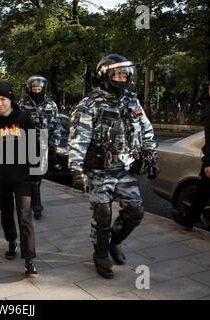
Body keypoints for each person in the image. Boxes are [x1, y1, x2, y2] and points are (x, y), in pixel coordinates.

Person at [68, 54, 159, 279]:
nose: (122, 77)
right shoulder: (89, 104)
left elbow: (146, 130)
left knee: (136, 211)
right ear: (104, 76)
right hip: (99, 171)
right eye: (117, 74)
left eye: (125, 74)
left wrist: (152, 156)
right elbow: (79, 138)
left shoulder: (132, 100)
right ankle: (100, 254)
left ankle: (114, 242)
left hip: (124, 167)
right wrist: (76, 169)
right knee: (102, 214)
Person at [0, 80, 39, 278]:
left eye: (3, 99)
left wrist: (36, 175)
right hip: (0, 179)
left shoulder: (23, 118)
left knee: (25, 217)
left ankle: (29, 260)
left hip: (22, 178)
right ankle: (11, 241)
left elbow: (34, 146)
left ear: (11, 99)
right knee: (6, 215)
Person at [172, 75, 210, 230]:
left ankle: (188, 220)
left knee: (203, 192)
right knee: (203, 192)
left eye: (209, 87)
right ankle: (188, 219)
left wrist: (208, 163)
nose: (209, 90)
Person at [18, 75, 61, 219]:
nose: (37, 90)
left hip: (43, 142)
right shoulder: (22, 104)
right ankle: (36, 207)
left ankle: (32, 198)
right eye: (34, 88)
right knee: (33, 176)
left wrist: (54, 144)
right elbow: (16, 124)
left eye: (39, 88)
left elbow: (56, 125)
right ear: (29, 88)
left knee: (39, 175)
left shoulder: (51, 104)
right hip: (28, 141)